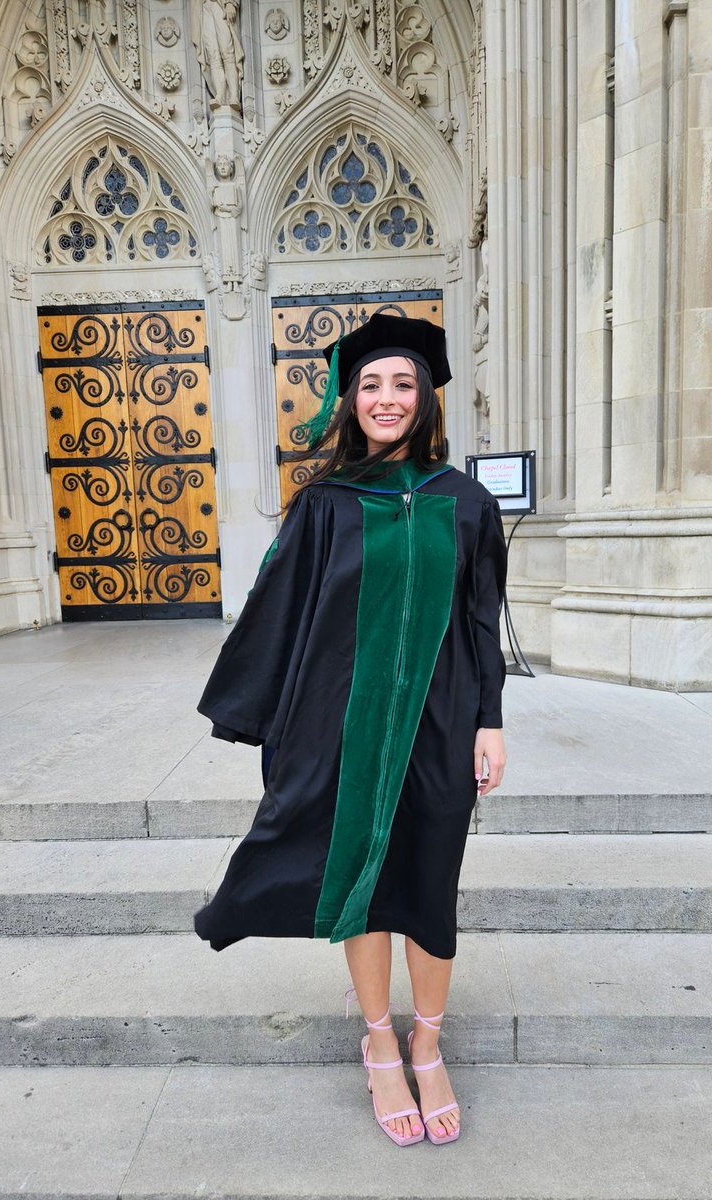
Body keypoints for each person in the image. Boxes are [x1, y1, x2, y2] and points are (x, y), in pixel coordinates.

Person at [194, 312, 508, 1146]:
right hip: (345, 721)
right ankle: (378, 1041)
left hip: (442, 724)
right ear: (349, 398)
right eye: (370, 383)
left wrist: (491, 720)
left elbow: (483, 624)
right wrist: (263, 717)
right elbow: (280, 609)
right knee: (364, 880)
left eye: (403, 383)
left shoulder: (468, 504)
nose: (387, 398)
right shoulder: (326, 503)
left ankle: (428, 1043)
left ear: (427, 397)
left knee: (430, 880)